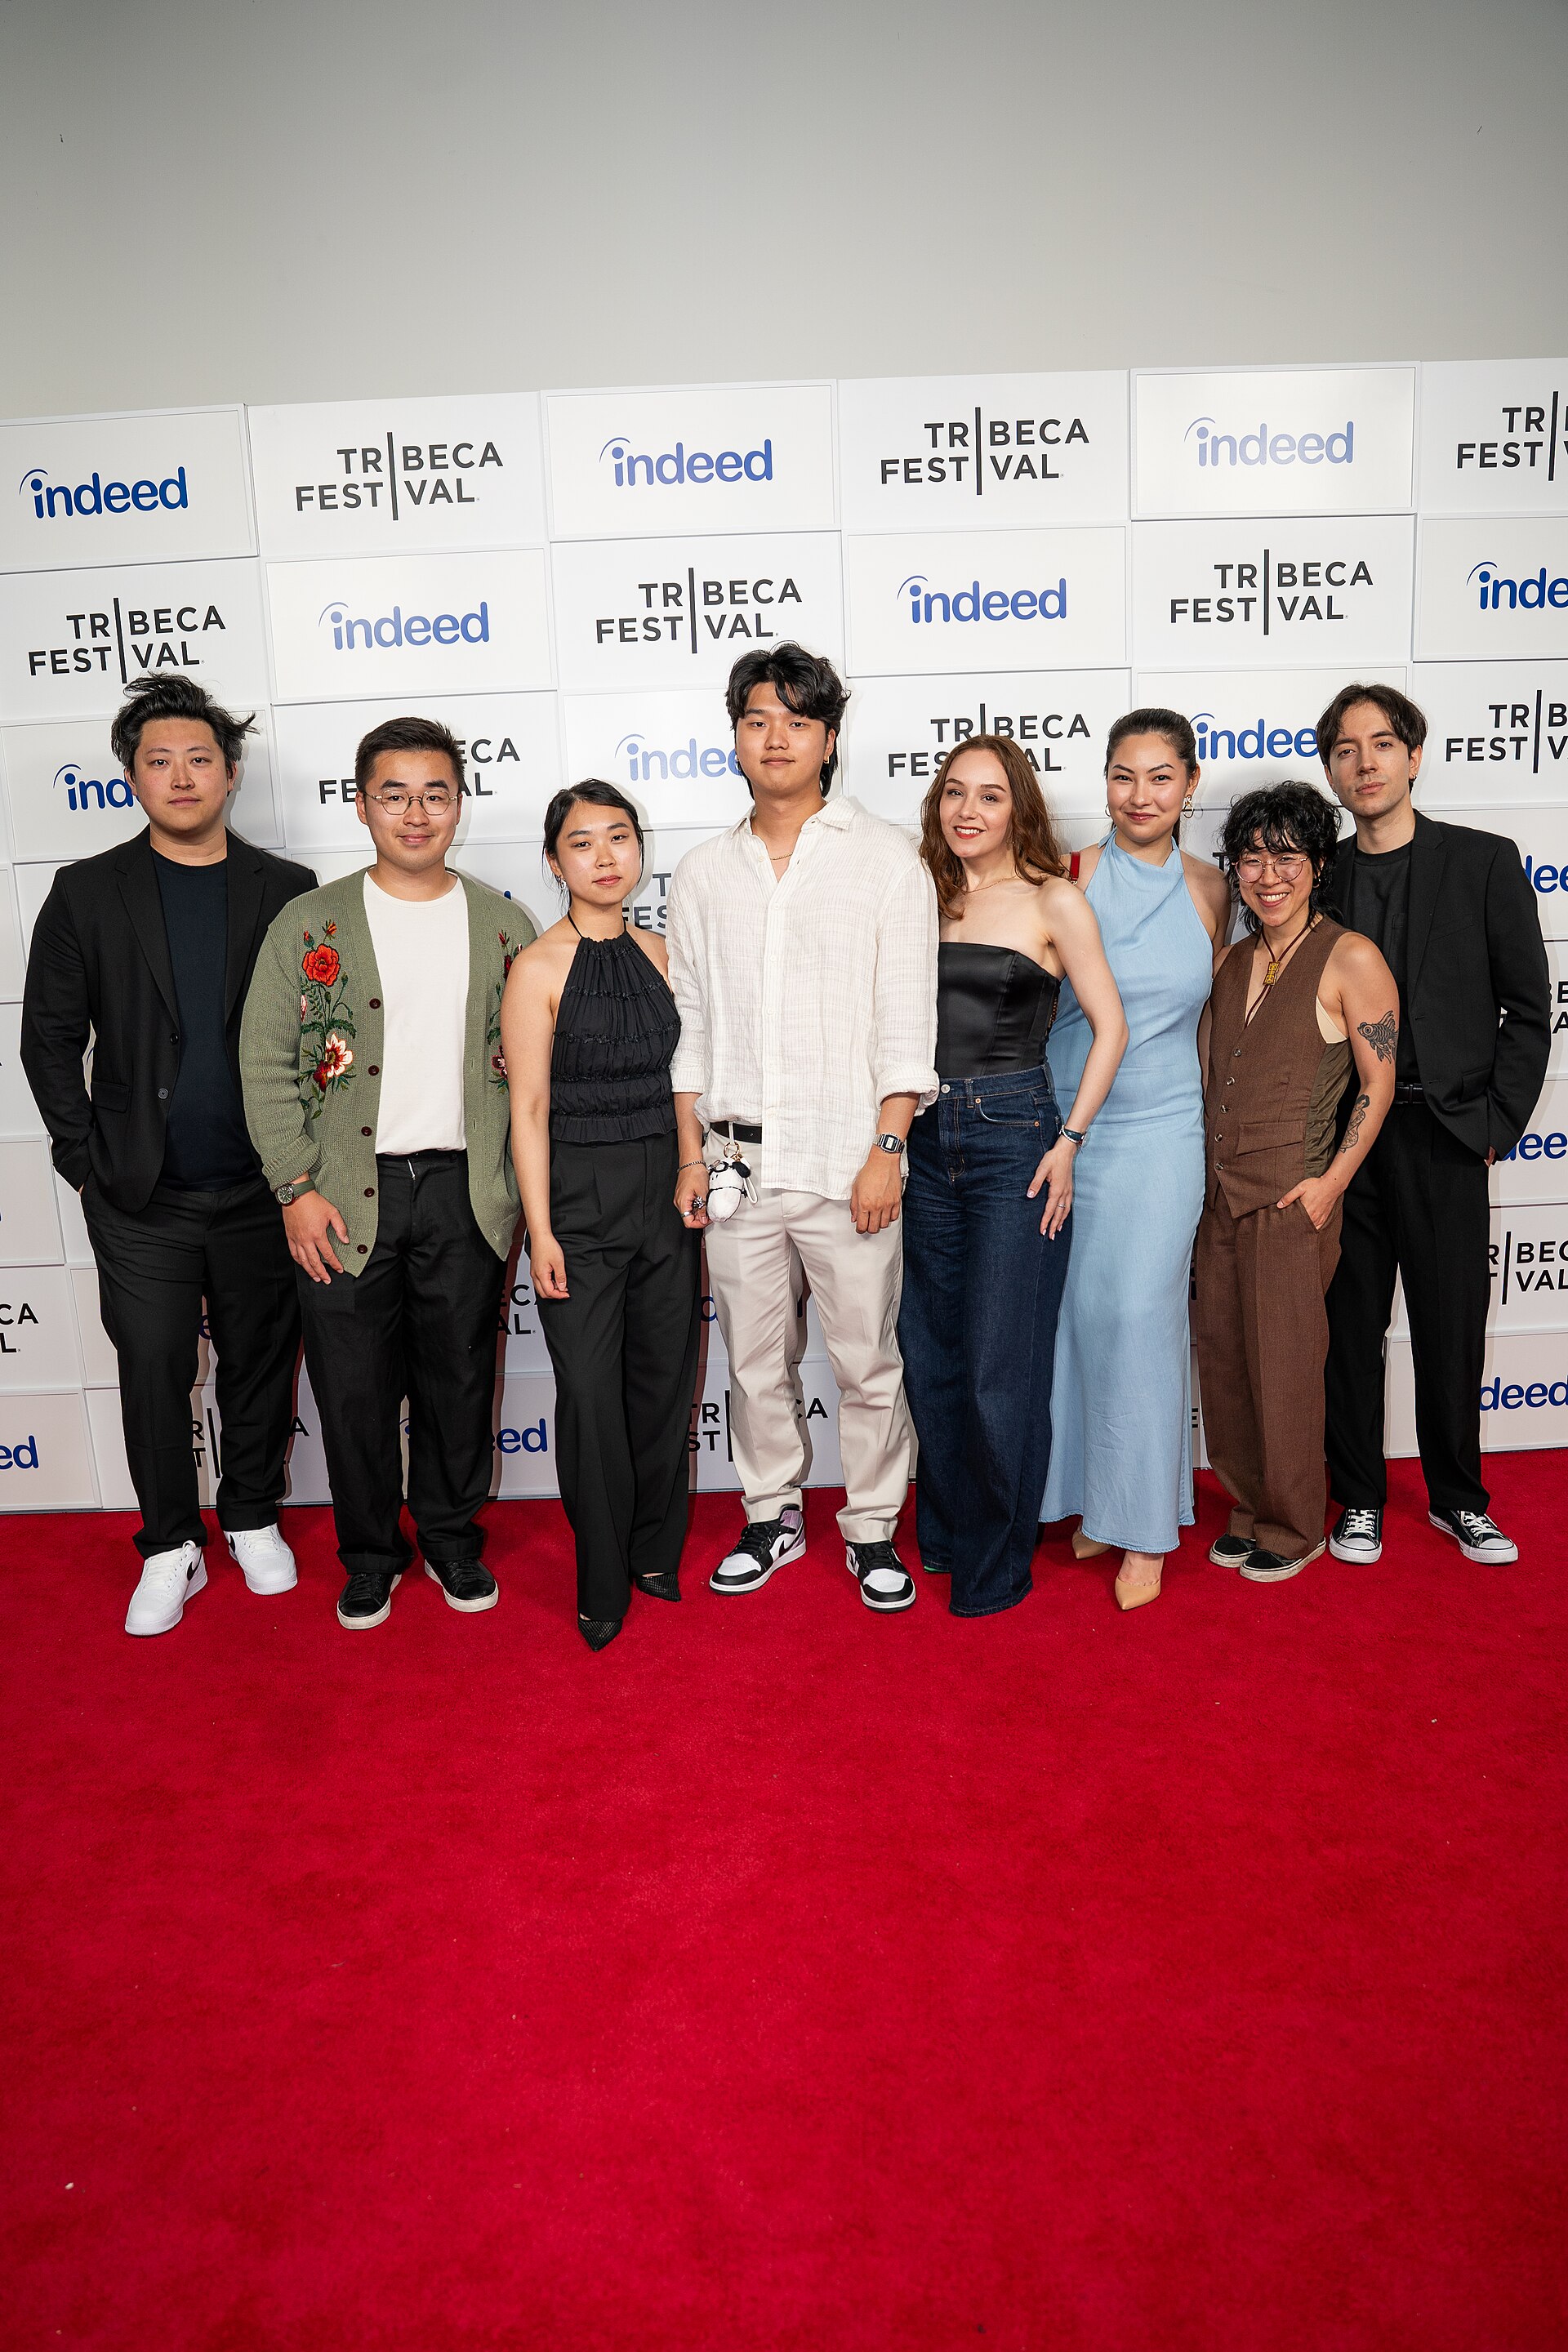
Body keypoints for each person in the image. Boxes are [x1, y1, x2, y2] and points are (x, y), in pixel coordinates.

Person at [20, 675, 315, 1637]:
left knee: (260, 1362)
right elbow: (48, 1041)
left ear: (230, 774)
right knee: (152, 1364)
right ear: (131, 777)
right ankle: (168, 1543)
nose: (181, 776)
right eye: (159, 761)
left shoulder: (287, 890)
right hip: (139, 1192)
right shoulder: (83, 893)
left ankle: (252, 1515)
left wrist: (301, 1167)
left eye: (199, 759)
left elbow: (320, 1041)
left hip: (260, 1188)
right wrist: (84, 1162)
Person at [240, 715, 533, 1631]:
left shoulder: (502, 921)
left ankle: (449, 1538)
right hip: (342, 1194)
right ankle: (370, 1554)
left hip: (463, 1190)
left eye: (435, 793)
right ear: (362, 804)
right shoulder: (311, 920)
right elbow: (266, 1063)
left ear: (459, 805)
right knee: (354, 1387)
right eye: (395, 794)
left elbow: (529, 1067)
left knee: (457, 1380)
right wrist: (295, 1186)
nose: (416, 813)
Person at [666, 643, 939, 1615]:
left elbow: (908, 1025)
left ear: (830, 738)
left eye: (796, 720)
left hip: (848, 1160)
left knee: (868, 1361)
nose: (774, 737)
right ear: (735, 736)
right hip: (738, 1162)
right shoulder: (701, 873)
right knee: (753, 1362)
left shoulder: (886, 861)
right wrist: (692, 1151)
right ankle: (773, 1513)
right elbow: (691, 1025)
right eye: (756, 719)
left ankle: (869, 1527)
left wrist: (888, 1148)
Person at [1316, 684, 1550, 1566]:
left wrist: (1497, 1122)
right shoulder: (1320, 873)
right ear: (1331, 769)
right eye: (1345, 749)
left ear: (1414, 757)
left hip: (1447, 1134)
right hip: (1345, 1141)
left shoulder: (1484, 862)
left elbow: (1529, 1010)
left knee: (1453, 1326)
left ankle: (1459, 1497)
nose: (1364, 762)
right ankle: (1360, 1499)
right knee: (1349, 1329)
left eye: (1381, 744)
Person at [898, 737, 1126, 1618]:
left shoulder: (1054, 900)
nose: (968, 811)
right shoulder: (921, 897)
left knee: (1004, 1365)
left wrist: (1069, 1139)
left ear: (1018, 809)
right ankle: (952, 1535)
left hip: (1016, 1139)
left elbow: (1110, 1029)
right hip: (922, 1137)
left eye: (990, 797)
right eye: (954, 793)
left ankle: (998, 1565)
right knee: (931, 1355)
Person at [500, 782, 701, 1650]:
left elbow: (687, 1077)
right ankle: (601, 1576)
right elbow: (529, 1108)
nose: (606, 857)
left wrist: (692, 1163)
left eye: (619, 838)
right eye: (583, 843)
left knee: (661, 1384)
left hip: (664, 1191)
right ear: (554, 861)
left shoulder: (665, 953)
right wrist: (541, 1231)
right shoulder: (537, 967)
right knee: (587, 1395)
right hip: (576, 1203)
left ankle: (656, 1550)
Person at [1041, 710, 1230, 1610]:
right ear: (1104, 780)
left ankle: (1147, 1529)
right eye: (1124, 775)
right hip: (1068, 1126)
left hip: (1163, 1127)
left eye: (1161, 776)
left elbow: (1211, 1019)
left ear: (1190, 785)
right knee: (1078, 1316)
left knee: (1140, 1315)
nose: (1141, 794)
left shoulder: (1212, 888)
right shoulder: (1067, 874)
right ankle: (1093, 1503)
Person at [1195, 782, 1398, 1583]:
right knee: (1227, 1366)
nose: (1267, 875)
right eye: (1251, 857)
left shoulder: (1350, 956)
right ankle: (1248, 1509)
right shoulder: (1233, 960)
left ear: (1318, 865)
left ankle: (1292, 1527)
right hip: (1218, 1199)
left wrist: (1330, 1185)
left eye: (1287, 857)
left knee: (1283, 1371)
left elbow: (1378, 1088)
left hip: (1292, 1202)